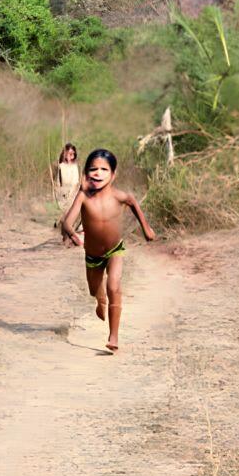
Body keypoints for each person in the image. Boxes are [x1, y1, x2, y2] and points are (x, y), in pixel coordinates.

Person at [60, 149, 156, 353]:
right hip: (92, 255)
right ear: (86, 173)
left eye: (104, 169)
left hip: (115, 250)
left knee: (114, 286)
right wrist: (74, 236)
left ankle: (113, 336)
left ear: (113, 174)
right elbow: (67, 222)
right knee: (94, 290)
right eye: (93, 169)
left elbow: (133, 202)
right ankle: (100, 300)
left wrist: (146, 228)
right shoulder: (84, 197)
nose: (98, 173)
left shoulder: (119, 196)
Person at [52, 143, 80, 241]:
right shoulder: (60, 166)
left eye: (72, 154)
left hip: (73, 194)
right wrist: (58, 193)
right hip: (62, 194)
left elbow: (76, 182)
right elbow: (57, 182)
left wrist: (73, 193)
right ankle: (64, 236)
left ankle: (70, 237)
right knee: (62, 217)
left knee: (71, 217)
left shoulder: (75, 166)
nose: (70, 156)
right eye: (68, 153)